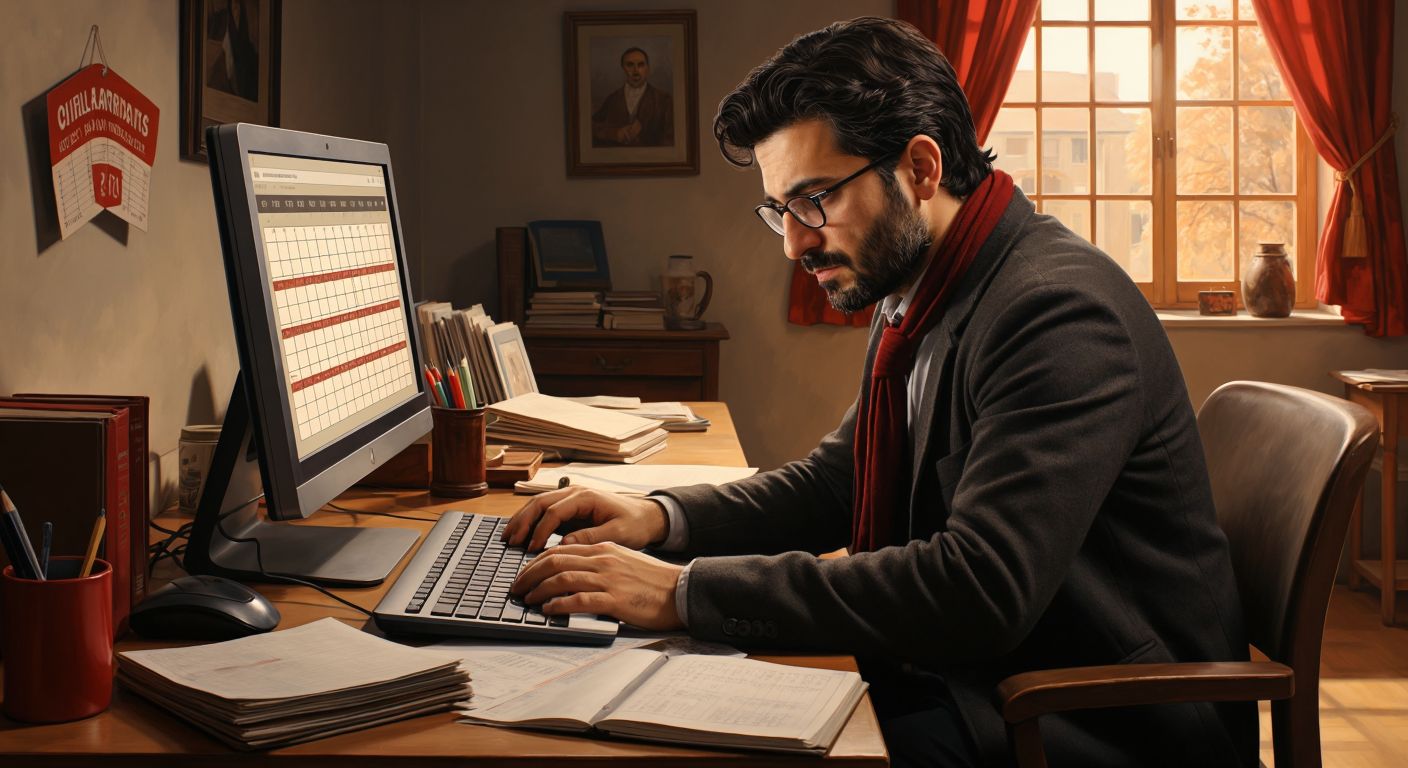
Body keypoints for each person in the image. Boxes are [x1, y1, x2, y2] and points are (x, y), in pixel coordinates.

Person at [507, 17, 1255, 768]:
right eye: (780, 211)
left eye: (814, 200)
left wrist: (683, 593)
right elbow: (841, 482)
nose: (795, 243)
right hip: (983, 678)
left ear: (922, 169)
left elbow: (979, 586)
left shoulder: (1054, 313)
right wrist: (660, 519)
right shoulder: (923, 285)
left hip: (1091, 718)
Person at [590, 47, 673, 147]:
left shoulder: (664, 99)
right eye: (630, 65)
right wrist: (615, 134)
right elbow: (591, 128)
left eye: (641, 65)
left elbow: (672, 138)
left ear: (648, 68)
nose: (636, 71)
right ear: (623, 68)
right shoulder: (612, 99)